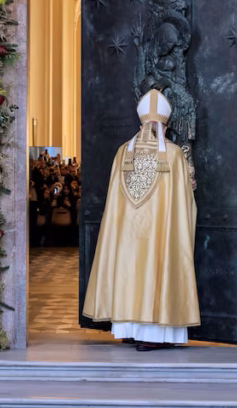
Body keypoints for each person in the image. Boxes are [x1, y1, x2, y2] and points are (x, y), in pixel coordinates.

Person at [82, 89, 199, 351]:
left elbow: (114, 203)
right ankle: (157, 334)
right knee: (159, 269)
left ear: (141, 125)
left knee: (130, 271)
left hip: (127, 235)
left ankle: (130, 328)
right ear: (165, 127)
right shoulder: (173, 154)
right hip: (161, 234)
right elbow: (184, 203)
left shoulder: (123, 152)